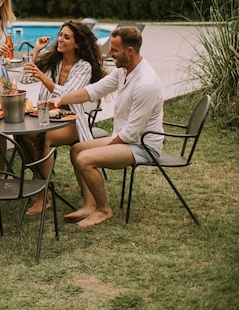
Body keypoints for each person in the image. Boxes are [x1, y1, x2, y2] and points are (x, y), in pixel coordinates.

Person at [49, 26, 164, 228]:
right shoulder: (123, 71)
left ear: (130, 51)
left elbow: (131, 133)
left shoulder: (146, 84)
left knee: (84, 158)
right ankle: (89, 204)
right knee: (77, 149)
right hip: (125, 137)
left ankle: (103, 210)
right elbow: (94, 90)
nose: (109, 54)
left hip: (143, 146)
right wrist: (61, 99)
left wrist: (102, 148)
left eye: (114, 50)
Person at [22, 20, 106, 215]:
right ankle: (40, 178)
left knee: (44, 137)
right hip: (46, 118)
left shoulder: (83, 67)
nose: (60, 39)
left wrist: (42, 77)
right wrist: (35, 52)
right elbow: (25, 79)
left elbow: (65, 94)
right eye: (60, 35)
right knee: (23, 135)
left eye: (66, 37)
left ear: (77, 44)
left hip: (72, 121)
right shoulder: (53, 60)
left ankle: (42, 198)